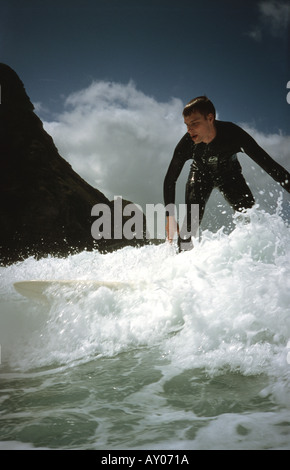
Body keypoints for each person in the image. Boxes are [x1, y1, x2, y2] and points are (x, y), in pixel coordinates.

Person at [163, 96, 290, 251]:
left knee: (250, 220)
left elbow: (272, 168)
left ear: (210, 118)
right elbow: (170, 180)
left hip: (230, 176)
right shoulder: (187, 144)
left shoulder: (233, 134)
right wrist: (169, 217)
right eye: (187, 125)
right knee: (189, 225)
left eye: (194, 124)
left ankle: (251, 264)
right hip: (200, 176)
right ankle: (179, 266)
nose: (189, 130)